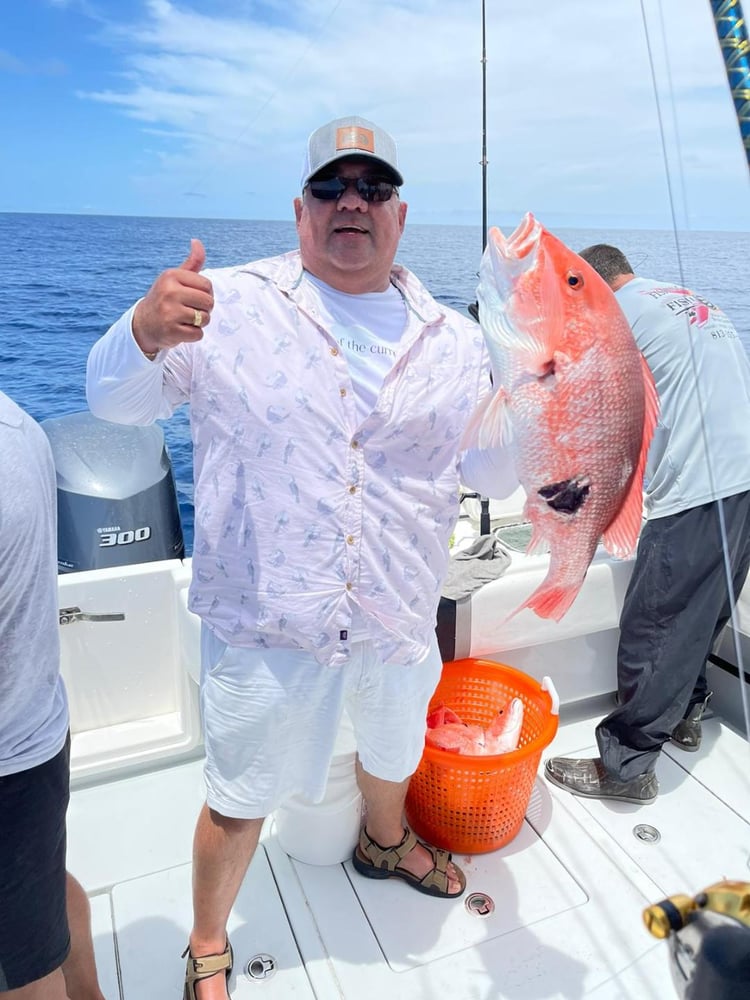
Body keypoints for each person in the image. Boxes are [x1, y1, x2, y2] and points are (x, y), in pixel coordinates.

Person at [86, 116, 511, 1000]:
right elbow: (114, 407)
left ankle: (383, 842)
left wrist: (547, 394)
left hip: (398, 608)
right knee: (239, 794)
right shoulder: (224, 303)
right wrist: (142, 328)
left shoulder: (461, 341)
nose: (352, 200)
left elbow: (495, 469)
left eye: (374, 187)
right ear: (301, 209)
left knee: (392, 753)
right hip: (267, 619)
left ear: (400, 214)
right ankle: (210, 941)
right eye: (332, 186)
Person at [544, 244, 750, 804]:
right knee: (703, 612)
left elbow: (566, 400)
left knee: (654, 626)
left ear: (598, 285)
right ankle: (687, 710)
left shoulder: (617, 313)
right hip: (743, 482)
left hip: (696, 489)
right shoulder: (687, 299)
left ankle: (627, 768)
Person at [0, 391, 106, 1000]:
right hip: (34, 738)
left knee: (23, 977)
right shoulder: (18, 427)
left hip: (11, 768)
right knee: (44, 900)